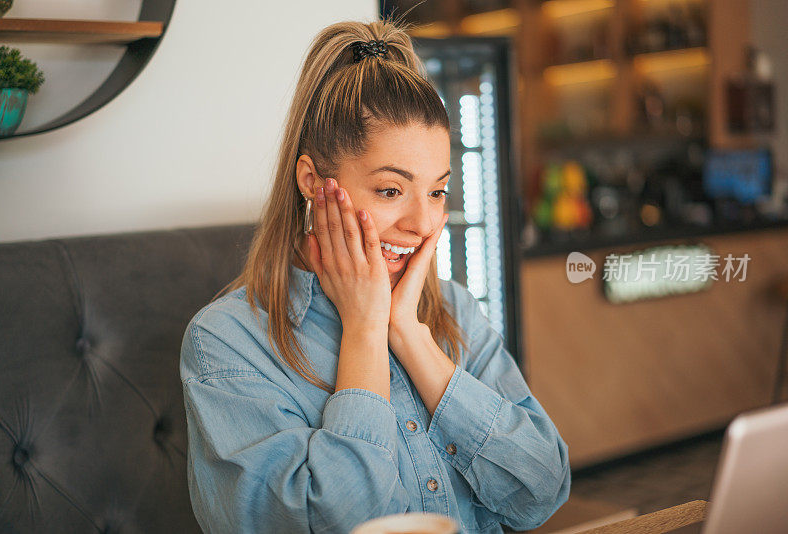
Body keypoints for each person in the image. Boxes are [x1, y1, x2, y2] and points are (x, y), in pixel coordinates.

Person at [179, 18, 570, 534]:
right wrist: (365, 331)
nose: (424, 223)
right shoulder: (226, 344)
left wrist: (409, 335)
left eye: (436, 191)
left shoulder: (454, 310)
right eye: (390, 191)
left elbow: (542, 491)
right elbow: (331, 521)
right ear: (312, 182)